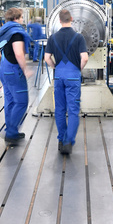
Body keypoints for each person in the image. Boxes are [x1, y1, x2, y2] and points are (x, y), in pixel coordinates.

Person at [44, 9, 89, 155]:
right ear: (72, 18)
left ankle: (61, 140)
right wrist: (78, 69)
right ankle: (69, 141)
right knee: (73, 111)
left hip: (59, 76)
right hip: (73, 76)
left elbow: (47, 58)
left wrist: (55, 67)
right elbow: (85, 58)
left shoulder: (52, 38)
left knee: (60, 110)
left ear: (59, 20)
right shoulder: (78, 37)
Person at [0, 8, 33, 146]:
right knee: (21, 101)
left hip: (3, 69)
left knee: (10, 101)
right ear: (17, 18)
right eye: (22, 17)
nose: (22, 20)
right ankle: (10, 132)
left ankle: (12, 131)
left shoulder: (4, 31)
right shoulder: (16, 33)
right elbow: (18, 53)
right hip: (14, 70)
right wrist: (25, 69)